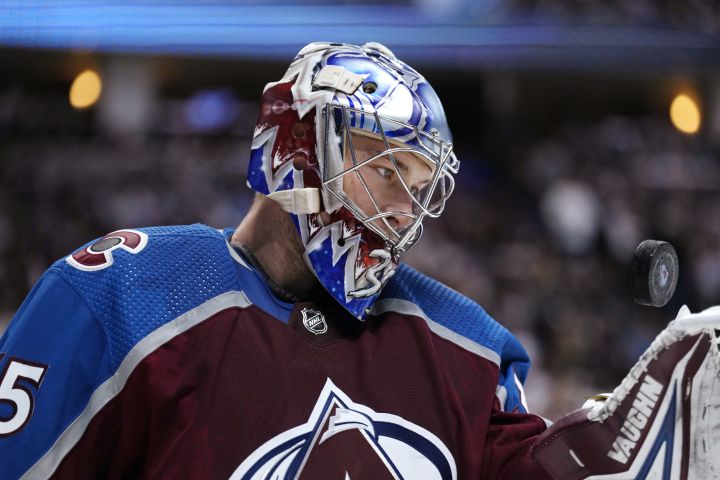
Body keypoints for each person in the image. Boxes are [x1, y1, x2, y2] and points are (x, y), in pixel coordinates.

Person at [1, 42, 718, 479]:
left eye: (419, 186)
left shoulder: (465, 346)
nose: (405, 210)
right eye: (386, 172)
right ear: (296, 149)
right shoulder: (124, 296)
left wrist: (633, 445)